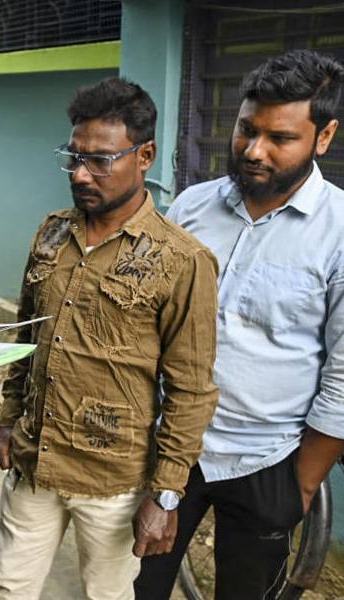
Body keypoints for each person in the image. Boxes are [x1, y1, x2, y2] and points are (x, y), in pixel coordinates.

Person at [0, 77, 220, 600]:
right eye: (72, 157)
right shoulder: (51, 233)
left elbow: (191, 391)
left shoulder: (181, 261)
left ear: (146, 155)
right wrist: (8, 418)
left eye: (99, 160)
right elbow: (25, 340)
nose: (79, 173)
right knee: (9, 589)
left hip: (113, 482)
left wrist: (165, 496)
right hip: (35, 460)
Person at [135, 49, 344, 600]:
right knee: (135, 586)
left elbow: (343, 375)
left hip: (266, 459)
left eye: (280, 138)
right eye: (246, 130)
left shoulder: (339, 232)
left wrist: (299, 487)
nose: (254, 151)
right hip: (166, 447)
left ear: (323, 138)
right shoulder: (190, 209)